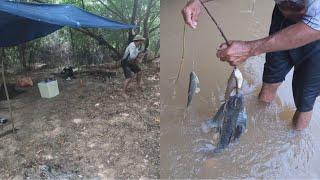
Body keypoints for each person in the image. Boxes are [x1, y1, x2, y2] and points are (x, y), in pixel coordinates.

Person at [182, 0, 320, 130]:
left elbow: (316, 24)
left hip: (315, 32)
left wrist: (249, 49)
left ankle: (295, 138)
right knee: (271, 79)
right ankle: (258, 119)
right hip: (283, 18)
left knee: (305, 99)